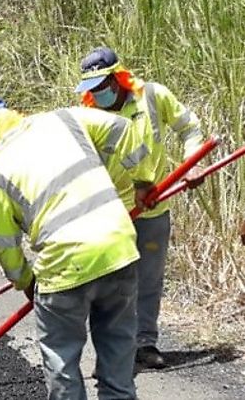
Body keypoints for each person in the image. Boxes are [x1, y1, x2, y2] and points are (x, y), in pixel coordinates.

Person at [0, 100, 154, 400]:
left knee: (62, 361)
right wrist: (143, 181)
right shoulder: (64, 119)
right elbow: (123, 127)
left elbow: (7, 248)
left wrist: (25, 282)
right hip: (118, 249)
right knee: (118, 358)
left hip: (64, 269)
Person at [74, 46, 206, 369]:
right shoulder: (89, 115)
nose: (96, 94)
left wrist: (192, 165)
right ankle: (114, 349)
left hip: (154, 208)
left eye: (100, 86)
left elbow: (190, 128)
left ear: (116, 79)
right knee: (112, 285)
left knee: (149, 279)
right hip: (112, 214)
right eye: (90, 89)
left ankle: (145, 344)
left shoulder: (152, 96)